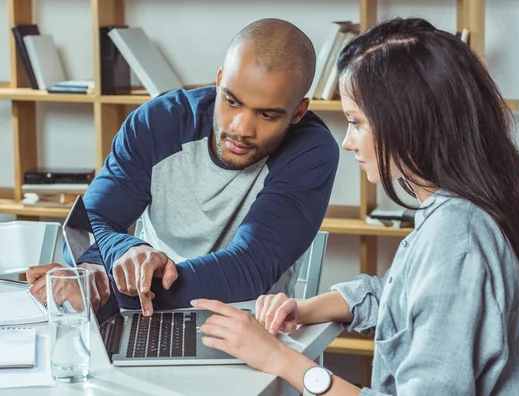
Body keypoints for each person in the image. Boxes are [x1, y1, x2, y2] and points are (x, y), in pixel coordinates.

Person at [188, 17, 519, 396]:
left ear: (408, 123)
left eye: (356, 123)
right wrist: (302, 310)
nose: (348, 142)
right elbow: (396, 295)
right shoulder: (465, 207)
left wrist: (281, 360)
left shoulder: (457, 237)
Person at [25, 18, 339, 317]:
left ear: (297, 112)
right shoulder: (157, 122)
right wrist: (124, 250)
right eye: (231, 101)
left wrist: (100, 285)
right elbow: (88, 225)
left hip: (249, 321)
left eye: (267, 115)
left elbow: (248, 268)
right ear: (219, 81)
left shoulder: (311, 152)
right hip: (143, 317)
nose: (241, 128)